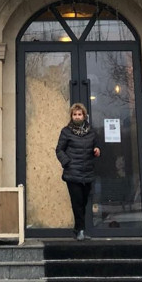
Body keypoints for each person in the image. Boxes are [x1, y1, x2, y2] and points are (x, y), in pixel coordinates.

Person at [55, 102, 101, 241]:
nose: (77, 116)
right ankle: (81, 230)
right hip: (72, 173)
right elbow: (59, 150)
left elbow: (96, 146)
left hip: (87, 172)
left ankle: (77, 229)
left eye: (79, 114)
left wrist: (97, 150)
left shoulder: (91, 131)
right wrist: (67, 163)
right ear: (71, 116)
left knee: (84, 202)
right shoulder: (66, 131)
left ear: (84, 116)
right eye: (74, 114)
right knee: (77, 202)